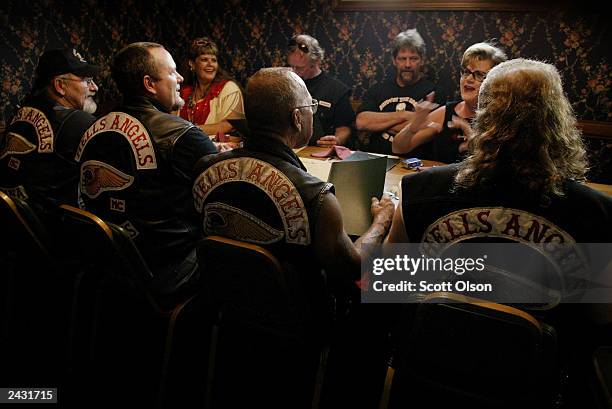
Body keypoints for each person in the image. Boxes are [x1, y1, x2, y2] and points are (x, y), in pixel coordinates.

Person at [75, 42, 217, 299]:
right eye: (173, 72)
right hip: (166, 268)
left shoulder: (94, 127)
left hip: (108, 260)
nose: (181, 78)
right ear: (150, 84)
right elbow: (222, 197)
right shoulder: (183, 135)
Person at [0, 48, 100, 213]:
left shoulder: (21, 111)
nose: (94, 87)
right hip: (55, 227)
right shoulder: (79, 123)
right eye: (86, 80)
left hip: (19, 218)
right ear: (60, 85)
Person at [392, 42, 507, 163]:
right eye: (466, 72)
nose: (468, 79)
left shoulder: (499, 117)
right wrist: (412, 128)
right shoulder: (446, 112)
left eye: (479, 75)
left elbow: (493, 164)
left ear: (495, 82)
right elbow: (398, 148)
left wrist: (466, 128)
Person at [356, 28, 444, 155]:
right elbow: (362, 122)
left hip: (414, 163)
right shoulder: (378, 89)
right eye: (402, 59)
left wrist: (380, 125)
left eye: (413, 58)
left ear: (422, 60)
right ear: (394, 60)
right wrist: (406, 116)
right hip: (375, 159)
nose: (407, 64)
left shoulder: (433, 92)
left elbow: (428, 129)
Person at [286, 34, 355, 147]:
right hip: (291, 149)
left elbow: (344, 128)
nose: (294, 72)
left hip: (319, 149)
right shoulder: (287, 84)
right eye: (292, 66)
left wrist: (337, 140)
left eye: (300, 68)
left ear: (316, 62)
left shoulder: (336, 90)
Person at [179, 37, 244, 150]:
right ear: (192, 64)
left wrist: (189, 132)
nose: (210, 64)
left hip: (219, 152)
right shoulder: (183, 92)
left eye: (214, 60)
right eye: (204, 59)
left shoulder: (229, 88)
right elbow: (172, 121)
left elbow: (228, 125)